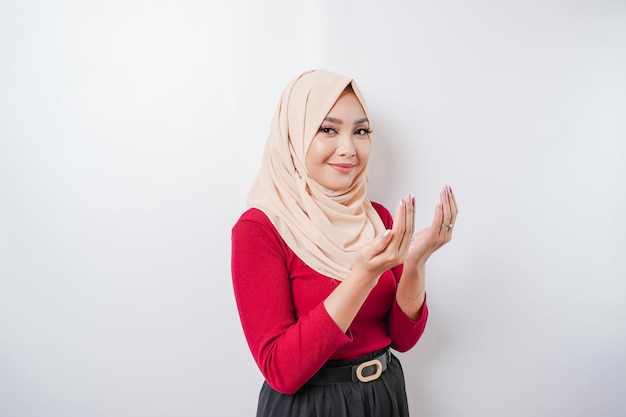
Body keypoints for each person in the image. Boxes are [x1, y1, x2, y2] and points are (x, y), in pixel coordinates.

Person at [231, 69, 458, 417]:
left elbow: (403, 340)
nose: (349, 149)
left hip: (385, 397)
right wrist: (362, 276)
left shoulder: (377, 218)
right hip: (310, 406)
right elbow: (281, 370)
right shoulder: (260, 229)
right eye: (328, 129)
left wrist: (414, 264)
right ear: (294, 134)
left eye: (361, 131)